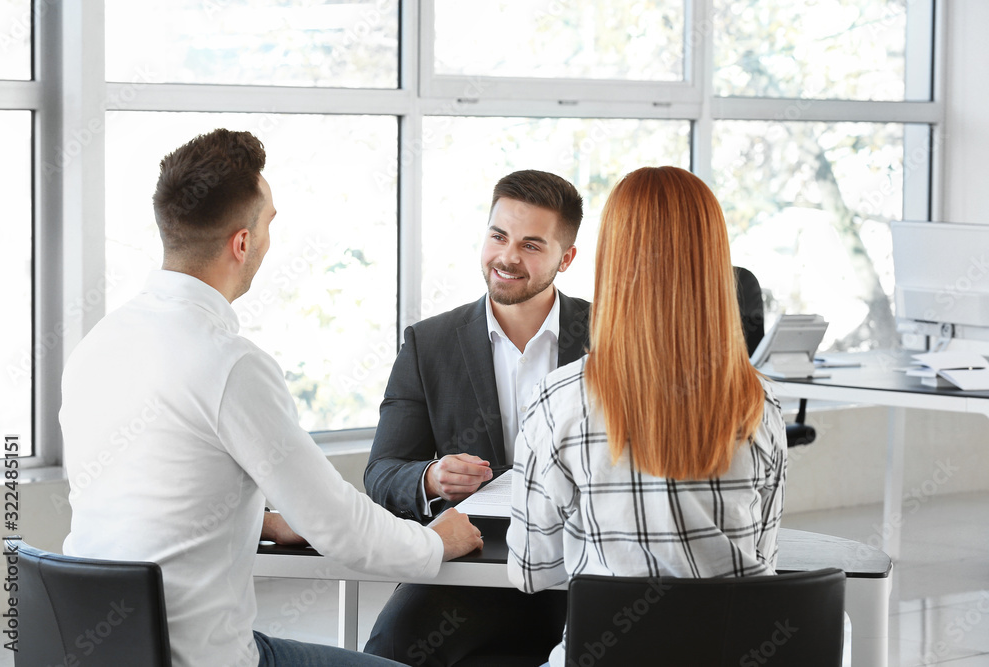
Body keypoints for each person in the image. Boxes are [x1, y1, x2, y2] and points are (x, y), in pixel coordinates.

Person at [60, 129, 483, 667]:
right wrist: (436, 541)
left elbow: (131, 487)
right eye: (269, 223)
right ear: (242, 242)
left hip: (106, 651)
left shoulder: (100, 343)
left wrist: (254, 517)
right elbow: (340, 527)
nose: (268, 239)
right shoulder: (228, 363)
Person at [506, 166, 788, 666]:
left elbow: (533, 571)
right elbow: (762, 561)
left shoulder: (559, 401)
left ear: (612, 263)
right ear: (714, 265)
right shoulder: (759, 403)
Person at [363, 170, 590, 665]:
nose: (507, 257)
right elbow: (382, 471)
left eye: (531, 244)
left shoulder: (611, 337)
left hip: (584, 565)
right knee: (392, 648)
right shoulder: (430, 344)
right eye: (498, 236)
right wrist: (430, 476)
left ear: (566, 258)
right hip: (471, 564)